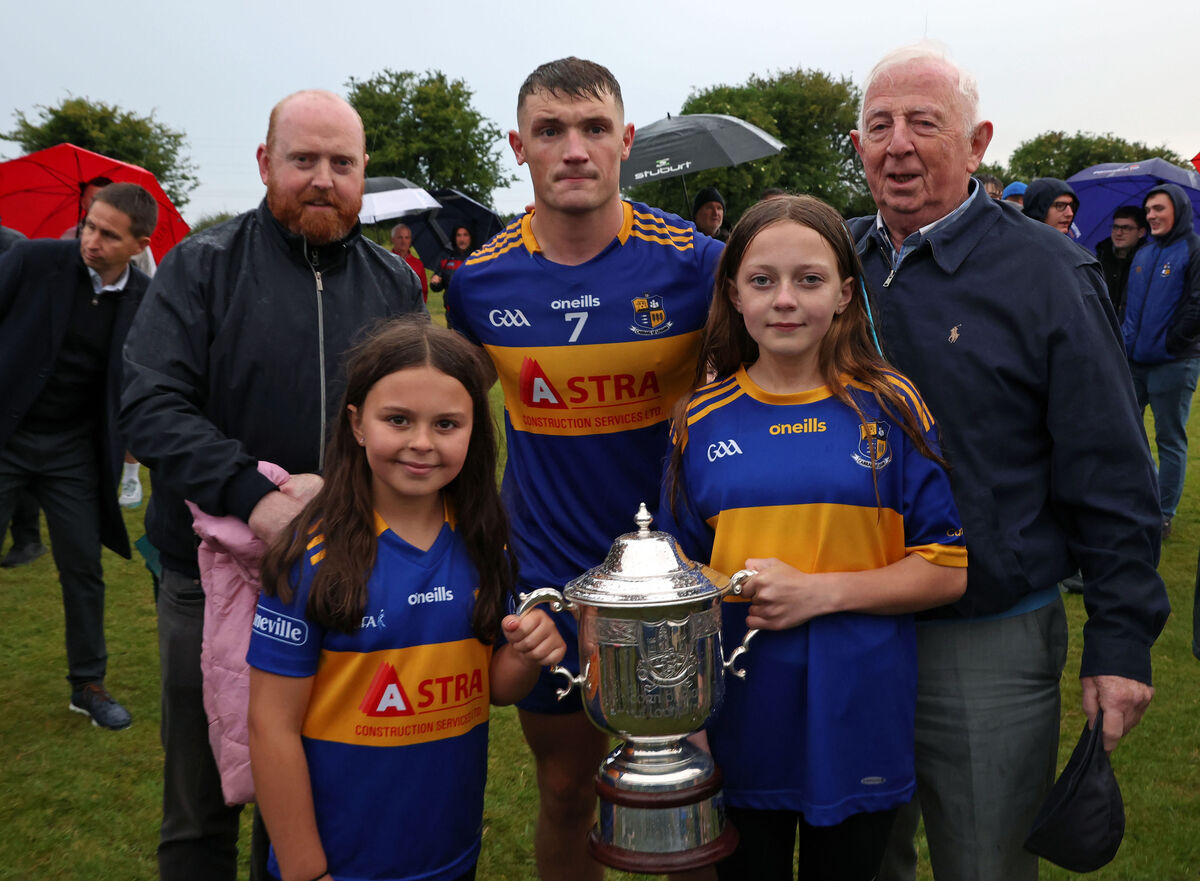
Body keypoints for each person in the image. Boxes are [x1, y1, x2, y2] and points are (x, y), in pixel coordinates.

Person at [847, 43, 1169, 881]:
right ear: (857, 148)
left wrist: (1122, 639)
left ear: (978, 141)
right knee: (860, 858)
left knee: (983, 864)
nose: (899, 144)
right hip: (846, 626)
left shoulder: (1048, 271)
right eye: (879, 126)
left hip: (985, 636)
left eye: (925, 122)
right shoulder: (829, 268)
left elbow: (1112, 468)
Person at [119, 89, 425, 881]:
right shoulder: (204, 266)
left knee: (315, 792)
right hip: (210, 576)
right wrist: (254, 498)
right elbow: (149, 403)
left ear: (364, 174)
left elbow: (419, 415)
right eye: (304, 160)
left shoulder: (395, 283)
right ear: (265, 163)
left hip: (346, 575)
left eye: (342, 163)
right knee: (200, 805)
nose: (323, 179)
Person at [444, 57, 723, 881]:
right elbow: (452, 424)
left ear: (626, 141)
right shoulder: (479, 281)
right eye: (551, 131)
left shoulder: (695, 265)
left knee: (693, 790)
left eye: (595, 128)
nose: (574, 148)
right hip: (548, 584)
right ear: (517, 147)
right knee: (566, 789)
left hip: (676, 579)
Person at [657, 195, 967, 881]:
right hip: (740, 718)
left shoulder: (892, 405)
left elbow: (946, 567)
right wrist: (683, 718)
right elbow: (673, 579)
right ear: (734, 293)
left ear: (845, 294)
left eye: (810, 279)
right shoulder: (698, 418)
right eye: (763, 280)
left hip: (859, 711)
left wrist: (817, 592)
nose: (785, 300)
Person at [249, 319, 565, 881]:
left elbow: (493, 689)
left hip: (448, 855)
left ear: (474, 430)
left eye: (447, 424)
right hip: (338, 864)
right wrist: (303, 866)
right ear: (357, 424)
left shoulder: (484, 544)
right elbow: (270, 726)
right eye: (398, 420)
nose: (422, 442)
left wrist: (525, 650)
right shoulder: (311, 557)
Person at [0, 182, 157, 730]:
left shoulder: (144, 300)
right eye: (89, 226)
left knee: (83, 570)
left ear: (139, 245)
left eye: (108, 235)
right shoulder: (32, 260)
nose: (90, 240)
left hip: (73, 452)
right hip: (6, 435)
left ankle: (87, 685)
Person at [1122, 184, 1200, 541]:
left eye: (1159, 208)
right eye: (1148, 209)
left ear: (1179, 210)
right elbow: (1127, 307)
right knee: (1128, 433)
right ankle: (1140, 500)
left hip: (1173, 363)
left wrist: (1173, 341)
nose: (1151, 215)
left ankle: (1163, 514)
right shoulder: (1143, 254)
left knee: (1169, 440)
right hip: (1134, 364)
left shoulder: (1193, 249)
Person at [1095, 205, 1147, 318]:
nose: (1118, 233)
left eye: (1126, 228)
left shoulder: (1148, 263)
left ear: (1141, 232)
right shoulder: (1101, 257)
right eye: (1115, 227)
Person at [428, 225, 473, 294]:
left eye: (465, 235)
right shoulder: (447, 258)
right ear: (454, 238)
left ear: (470, 238)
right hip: (450, 303)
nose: (462, 239)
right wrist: (435, 283)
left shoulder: (478, 258)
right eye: (458, 235)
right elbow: (437, 287)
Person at [391, 222, 428, 302]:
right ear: (393, 239)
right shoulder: (385, 260)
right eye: (400, 237)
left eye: (407, 237)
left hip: (414, 310)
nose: (403, 241)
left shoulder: (418, 264)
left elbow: (424, 291)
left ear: (410, 240)